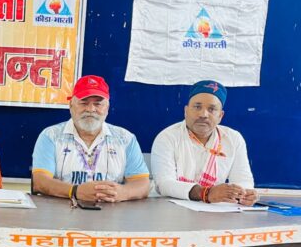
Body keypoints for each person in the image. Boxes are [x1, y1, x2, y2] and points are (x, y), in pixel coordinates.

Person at [32, 75, 150, 203]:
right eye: (84, 103)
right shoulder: (51, 136)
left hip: (112, 211)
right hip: (63, 210)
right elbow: (40, 181)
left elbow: (142, 183)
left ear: (107, 108)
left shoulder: (125, 139)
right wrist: (75, 191)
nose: (90, 109)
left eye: (98, 104)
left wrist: (123, 192)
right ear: (71, 105)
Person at [151, 80, 256, 205]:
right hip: (170, 209)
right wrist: (205, 193)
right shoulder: (167, 137)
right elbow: (163, 184)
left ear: (220, 116)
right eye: (197, 107)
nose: (203, 114)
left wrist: (244, 194)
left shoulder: (233, 139)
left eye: (212, 109)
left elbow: (243, 180)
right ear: (186, 111)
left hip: (215, 211)